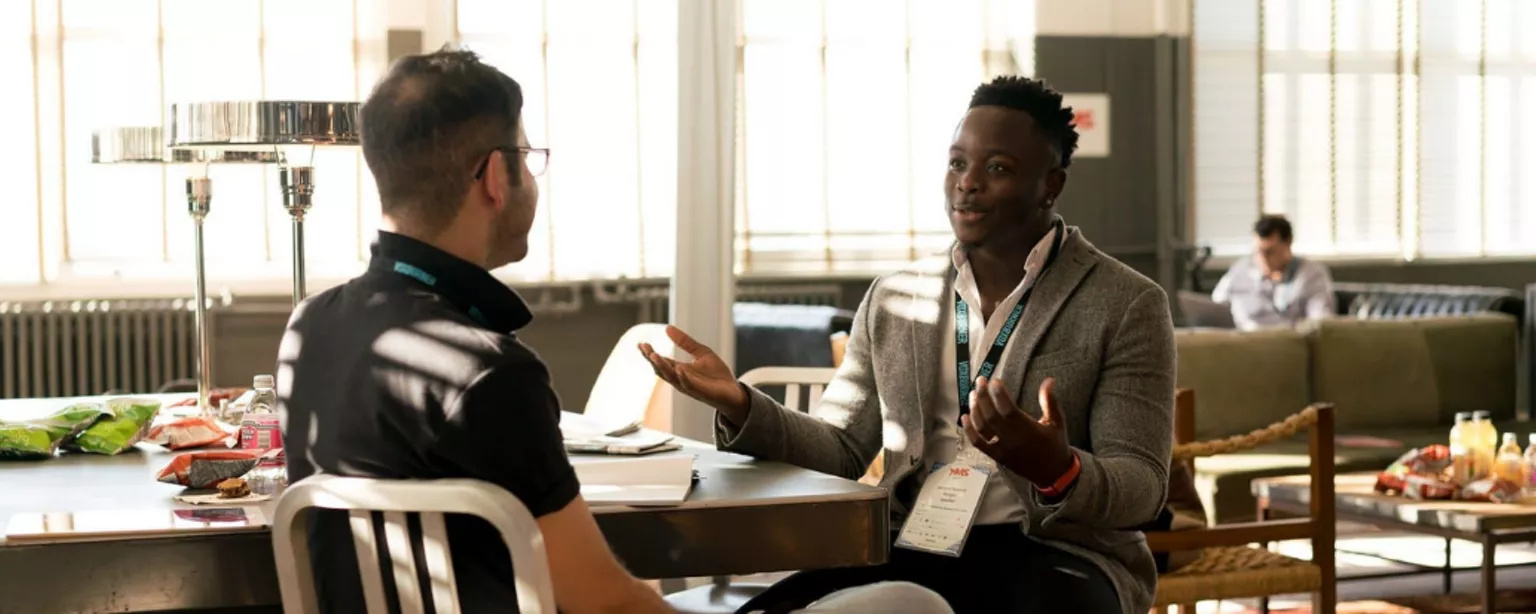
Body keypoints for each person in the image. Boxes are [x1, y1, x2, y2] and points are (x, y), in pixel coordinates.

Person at [277, 49, 952, 614]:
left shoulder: (310, 327)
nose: (530, 178)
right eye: (525, 155)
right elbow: (603, 601)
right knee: (909, 605)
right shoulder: (489, 373)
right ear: (491, 176)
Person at [641, 76, 1175, 614]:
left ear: (1050, 185)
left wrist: (1057, 468)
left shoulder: (1126, 303)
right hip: (914, 544)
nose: (967, 184)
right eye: (957, 163)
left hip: (1055, 553)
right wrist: (740, 402)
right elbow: (843, 449)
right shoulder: (897, 297)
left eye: (998, 169)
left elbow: (1143, 486)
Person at [1211, 214, 1336, 330]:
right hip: (1242, 341)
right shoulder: (1241, 269)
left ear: (1288, 243)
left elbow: (1320, 322)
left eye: (1270, 252)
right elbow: (1215, 306)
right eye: (1258, 252)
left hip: (1285, 342)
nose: (1263, 259)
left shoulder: (1311, 275)